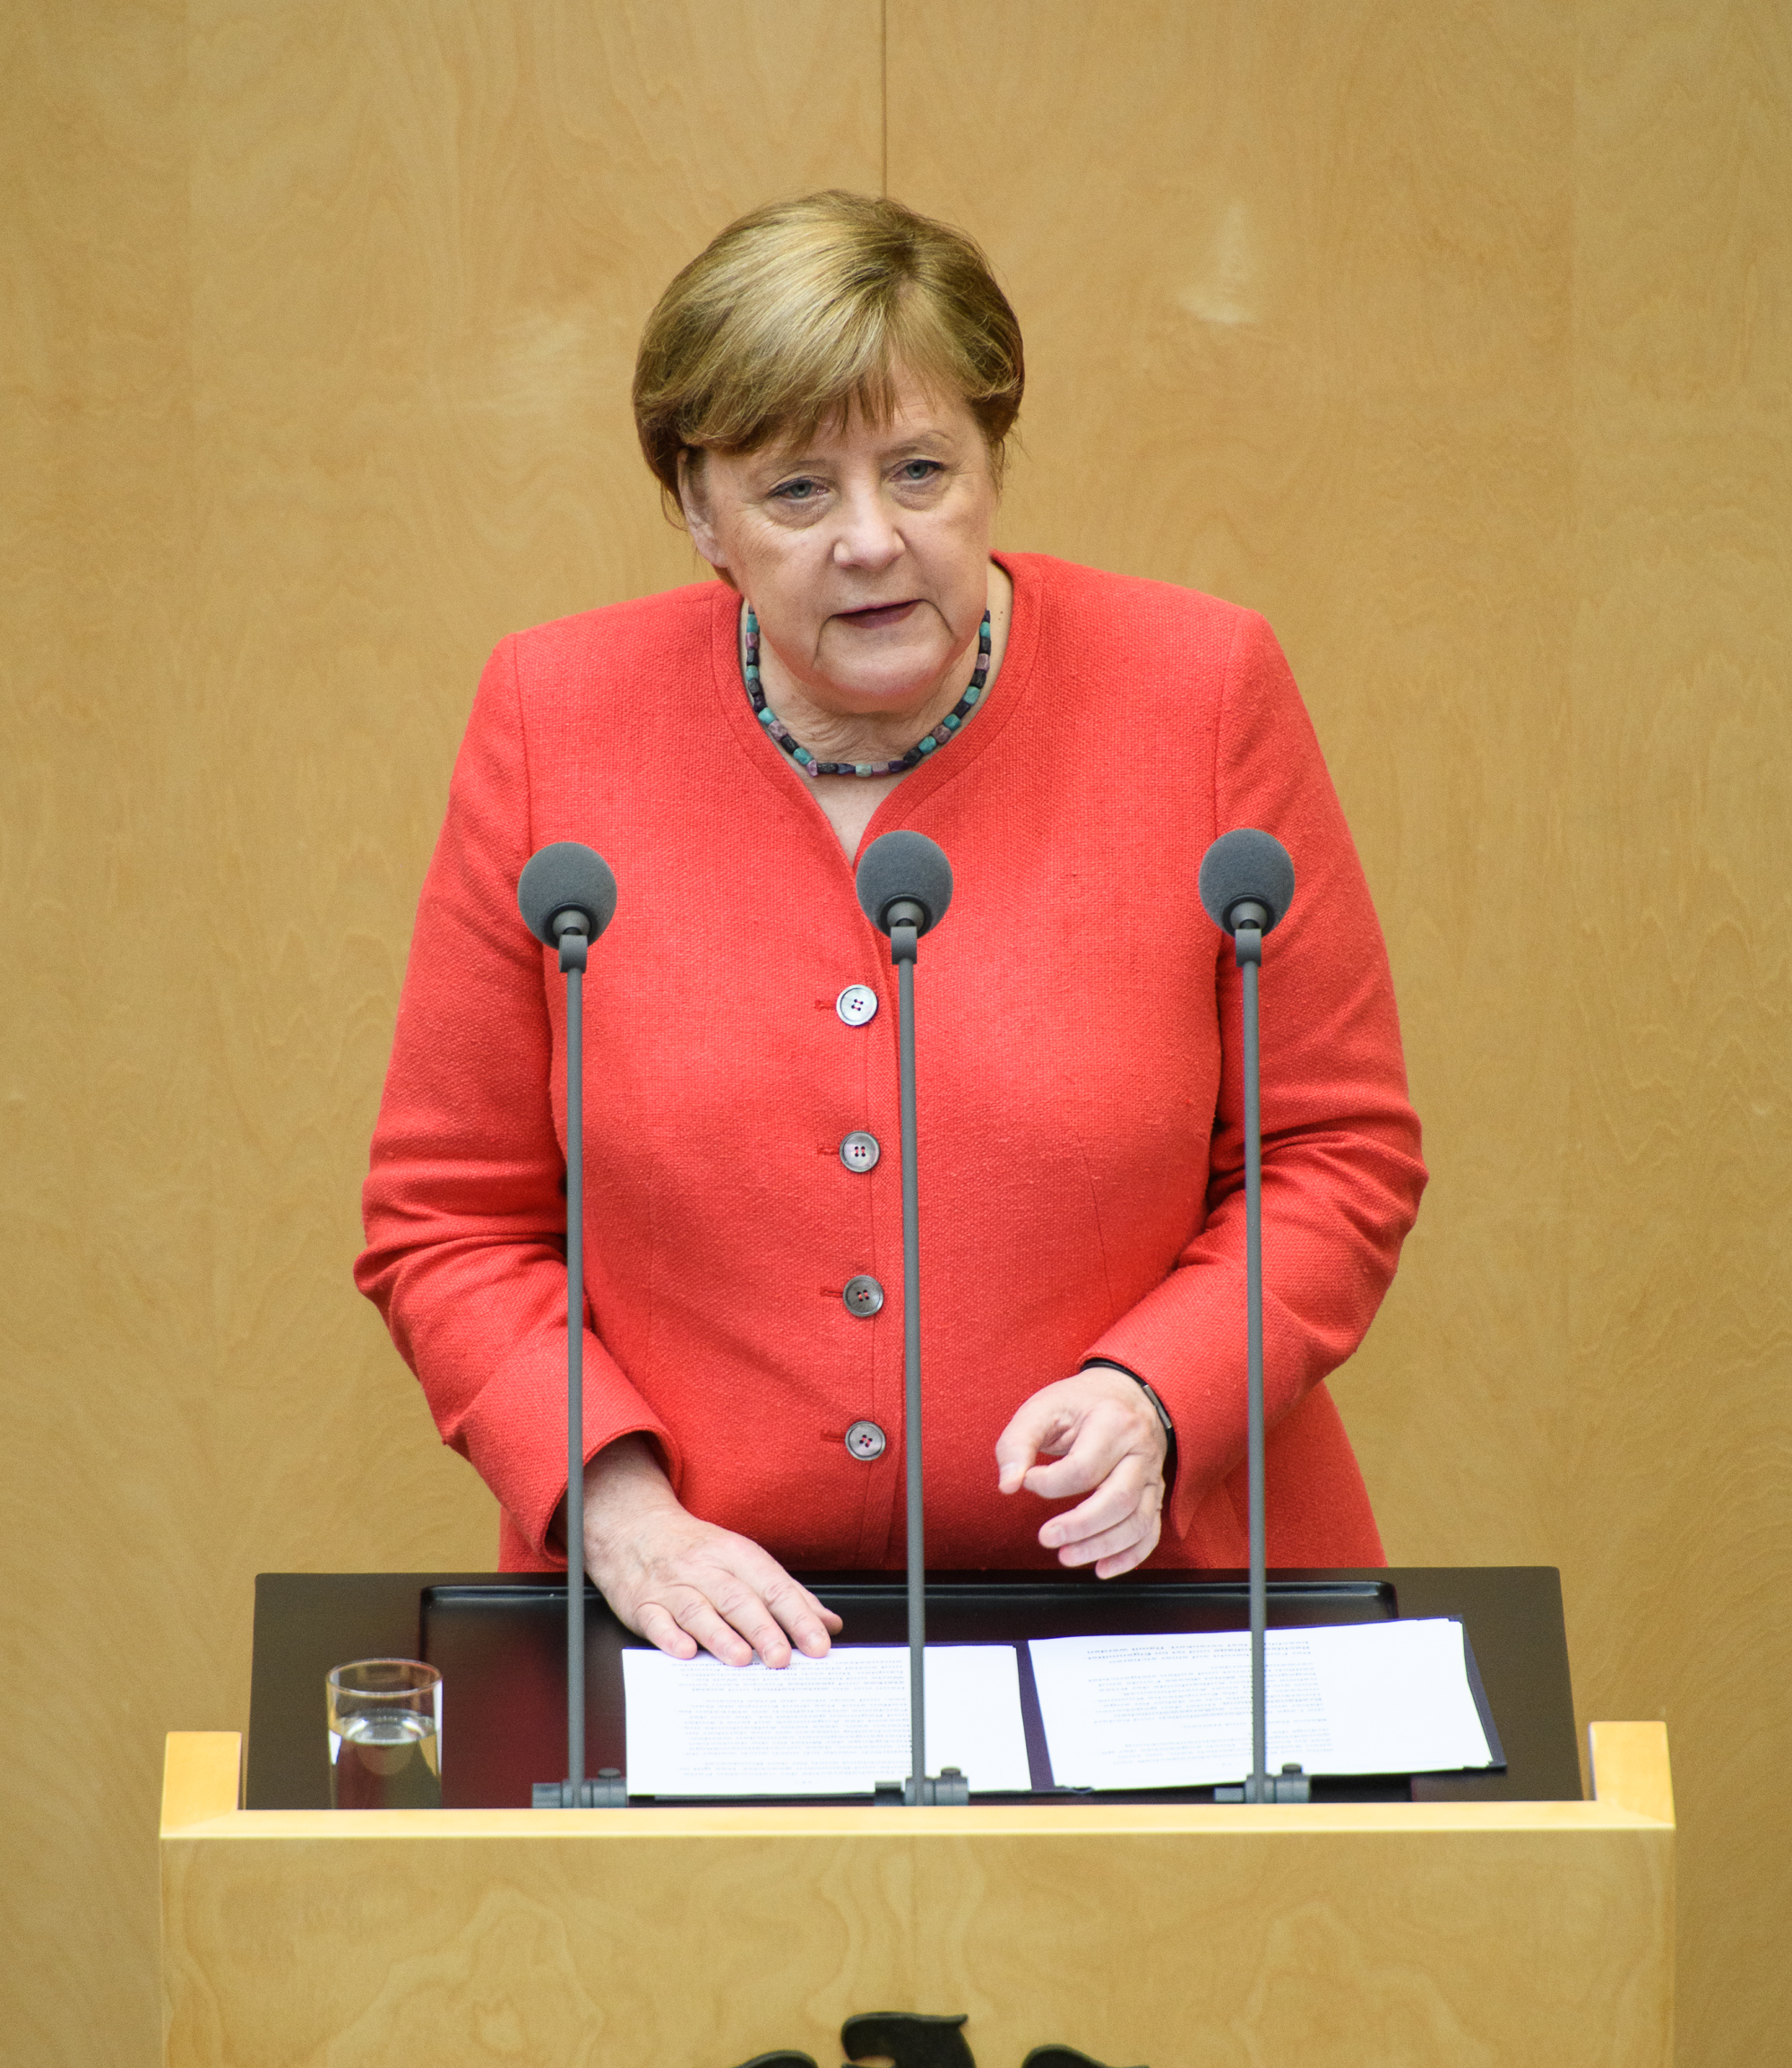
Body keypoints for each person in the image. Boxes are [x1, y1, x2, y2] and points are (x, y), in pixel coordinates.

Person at [358, 191, 1426, 1672]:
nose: (873, 541)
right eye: (798, 492)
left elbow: (1336, 1152)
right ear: (698, 511)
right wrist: (620, 1512)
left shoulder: (1201, 695)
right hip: (699, 1639)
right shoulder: (558, 722)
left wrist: (1163, 1394)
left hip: (1166, 1607)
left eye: (921, 471)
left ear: (993, 465)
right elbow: (449, 1220)